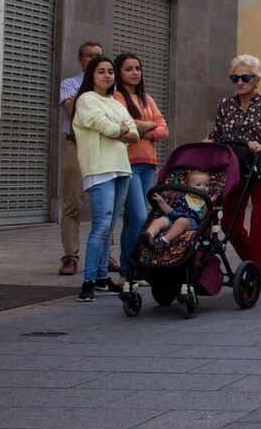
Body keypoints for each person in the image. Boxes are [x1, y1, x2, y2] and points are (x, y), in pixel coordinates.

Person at [209, 55, 261, 277]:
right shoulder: (225, 105)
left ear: (256, 80)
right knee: (228, 222)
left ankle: (255, 277)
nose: (239, 82)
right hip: (235, 171)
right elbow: (216, 134)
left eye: (245, 77)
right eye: (235, 77)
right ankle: (251, 266)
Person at [71, 56, 140, 301]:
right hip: (100, 169)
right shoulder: (86, 100)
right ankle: (88, 281)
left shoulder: (114, 102)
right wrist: (120, 130)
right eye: (101, 71)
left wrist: (121, 130)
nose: (107, 76)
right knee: (101, 225)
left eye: (110, 71)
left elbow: (134, 132)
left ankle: (102, 277)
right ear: (92, 74)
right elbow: (110, 128)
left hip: (121, 168)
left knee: (110, 226)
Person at [112, 52, 169, 278]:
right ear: (119, 72)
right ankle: (129, 267)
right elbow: (126, 126)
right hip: (129, 165)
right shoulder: (117, 98)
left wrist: (144, 130)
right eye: (129, 69)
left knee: (144, 217)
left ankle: (138, 265)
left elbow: (163, 129)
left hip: (148, 165)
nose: (135, 73)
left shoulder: (148, 99)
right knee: (136, 216)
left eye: (137, 68)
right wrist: (145, 127)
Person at [57, 40, 111, 277]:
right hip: (77, 146)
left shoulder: (112, 88)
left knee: (106, 207)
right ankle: (70, 256)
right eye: (89, 56)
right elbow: (73, 111)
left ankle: (104, 256)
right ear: (81, 60)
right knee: (72, 204)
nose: (93, 59)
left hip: (104, 149)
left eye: (98, 56)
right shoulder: (70, 84)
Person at [133, 169, 212, 250]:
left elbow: (205, 215)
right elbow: (171, 211)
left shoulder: (205, 201)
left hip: (191, 222)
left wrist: (210, 203)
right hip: (173, 218)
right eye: (198, 185)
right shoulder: (182, 198)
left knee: (181, 221)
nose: (203, 188)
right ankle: (148, 236)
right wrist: (161, 202)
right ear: (188, 187)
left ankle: (165, 239)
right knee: (160, 220)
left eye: (206, 185)